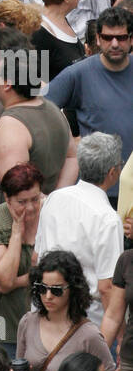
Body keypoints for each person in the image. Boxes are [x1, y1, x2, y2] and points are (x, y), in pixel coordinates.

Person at [0, 27, 76, 330]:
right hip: (14, 229)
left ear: (8, 83)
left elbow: (18, 190)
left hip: (0, 236)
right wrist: (54, 201)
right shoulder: (51, 109)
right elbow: (72, 158)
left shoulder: (12, 124)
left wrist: (26, 227)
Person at [34, 134, 125, 322]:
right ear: (112, 172)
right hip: (87, 317)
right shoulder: (108, 219)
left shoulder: (54, 199)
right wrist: (119, 331)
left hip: (46, 307)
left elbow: (37, 256)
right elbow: (107, 286)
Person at [0, 163, 43, 355]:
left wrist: (18, 282)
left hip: (45, 321)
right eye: (21, 202)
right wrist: (16, 232)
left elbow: (61, 270)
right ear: (7, 198)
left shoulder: (52, 213)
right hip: (4, 321)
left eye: (35, 199)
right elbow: (3, 278)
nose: (30, 208)